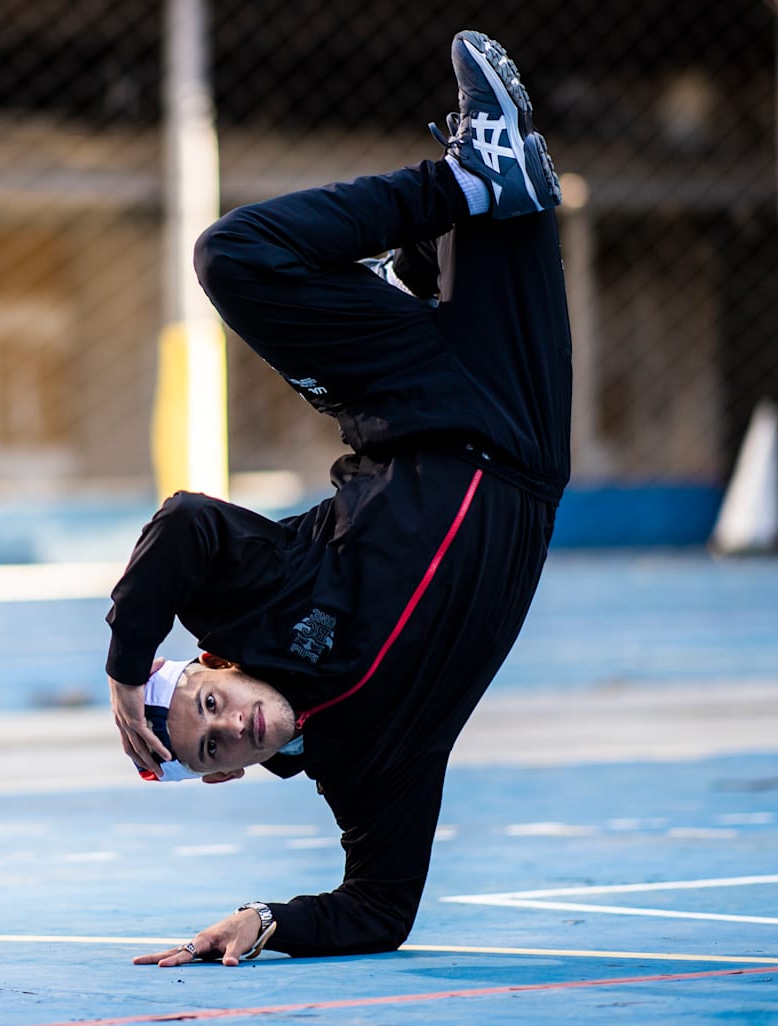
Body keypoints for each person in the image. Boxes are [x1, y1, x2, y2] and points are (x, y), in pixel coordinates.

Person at [107, 30, 571, 966]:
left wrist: (126, 664)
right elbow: (380, 907)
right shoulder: (369, 766)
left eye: (209, 702)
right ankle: (440, 241)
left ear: (213, 663)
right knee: (522, 177)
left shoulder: (258, 606)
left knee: (232, 255)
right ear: (226, 776)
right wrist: (273, 919)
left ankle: (450, 195)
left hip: (413, 398)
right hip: (523, 429)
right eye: (214, 745)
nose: (229, 724)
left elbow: (188, 523)